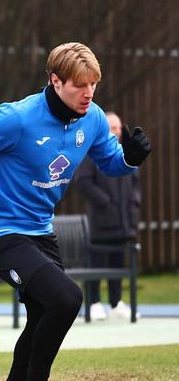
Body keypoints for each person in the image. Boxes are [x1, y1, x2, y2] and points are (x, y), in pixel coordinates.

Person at [0, 42, 152, 381]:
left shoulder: (93, 118)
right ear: (56, 81)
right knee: (68, 299)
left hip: (41, 232)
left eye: (93, 84)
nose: (88, 93)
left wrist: (130, 158)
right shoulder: (17, 118)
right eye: (79, 85)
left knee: (42, 315)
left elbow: (111, 164)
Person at [73, 111, 141, 320]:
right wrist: (105, 202)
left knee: (118, 262)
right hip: (100, 222)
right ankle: (93, 303)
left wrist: (134, 202)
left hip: (123, 222)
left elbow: (135, 182)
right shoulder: (92, 153)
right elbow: (82, 182)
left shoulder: (125, 153)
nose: (117, 131)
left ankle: (116, 302)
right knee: (96, 263)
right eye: (112, 127)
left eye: (119, 128)